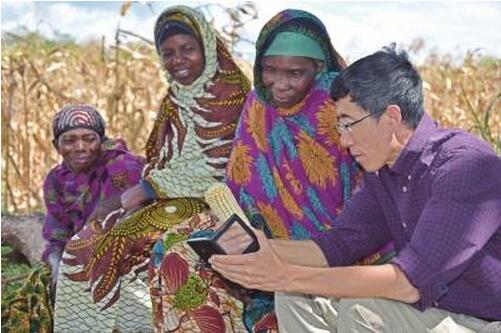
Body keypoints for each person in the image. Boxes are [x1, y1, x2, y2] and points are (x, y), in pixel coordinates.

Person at [210, 45, 501, 332]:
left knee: (362, 310)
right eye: (339, 128)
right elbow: (337, 248)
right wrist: (261, 247)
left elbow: (409, 283)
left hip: (484, 321)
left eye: (349, 124)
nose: (344, 141)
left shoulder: (465, 167)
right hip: (429, 313)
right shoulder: (383, 172)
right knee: (294, 298)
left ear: (392, 117)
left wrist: (285, 275)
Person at [147, 9, 392, 333]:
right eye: (270, 70)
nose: (280, 84)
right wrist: (236, 231)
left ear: (319, 68)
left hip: (330, 253)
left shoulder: (340, 106)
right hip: (259, 232)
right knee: (175, 248)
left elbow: (366, 201)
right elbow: (240, 183)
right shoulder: (258, 104)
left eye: (295, 73)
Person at [52, 5, 250, 333]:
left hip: (219, 204)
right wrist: (144, 194)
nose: (178, 60)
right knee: (82, 245)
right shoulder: (174, 99)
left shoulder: (230, 97)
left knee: (121, 247)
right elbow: (164, 161)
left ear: (207, 48)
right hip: (170, 199)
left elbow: (220, 170)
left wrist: (145, 190)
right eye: (168, 53)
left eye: (188, 49)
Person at [1, 104, 144, 333]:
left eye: (89, 139)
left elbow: (129, 212)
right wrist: (59, 269)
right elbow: (57, 232)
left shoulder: (122, 164)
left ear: (101, 140)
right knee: (39, 288)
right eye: (69, 140)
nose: (80, 147)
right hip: (79, 253)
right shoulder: (56, 180)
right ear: (56, 145)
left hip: (125, 252)